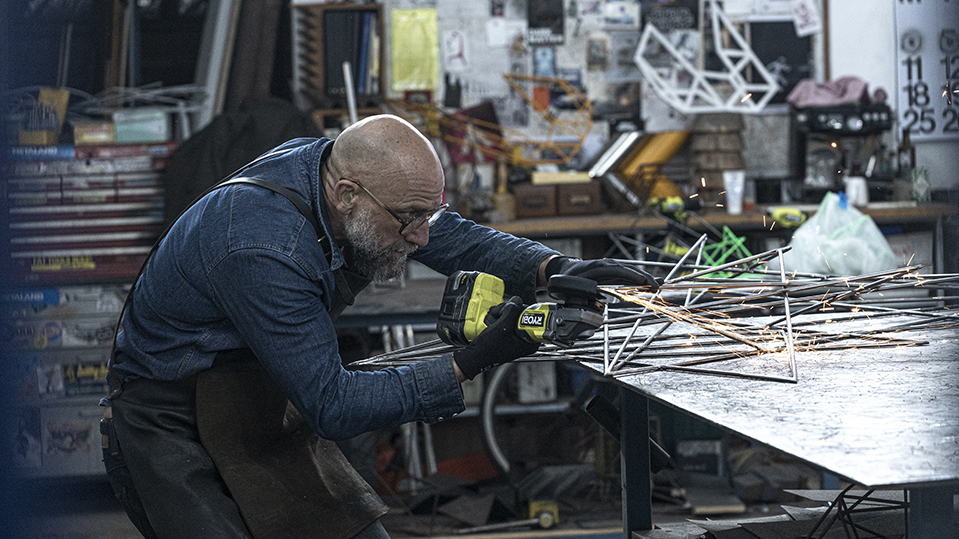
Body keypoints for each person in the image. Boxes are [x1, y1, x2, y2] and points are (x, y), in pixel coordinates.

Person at [101, 114, 655, 539]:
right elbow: (334, 406)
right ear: (347, 196)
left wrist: (554, 267)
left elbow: (452, 235)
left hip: (258, 399)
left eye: (425, 214)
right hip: (170, 421)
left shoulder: (339, 176)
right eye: (408, 221)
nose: (420, 237)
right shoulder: (263, 245)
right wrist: (475, 358)